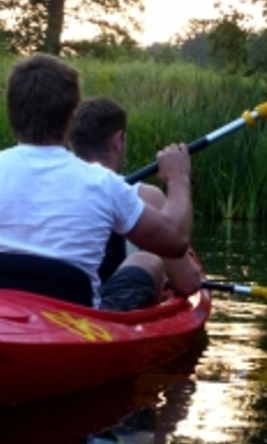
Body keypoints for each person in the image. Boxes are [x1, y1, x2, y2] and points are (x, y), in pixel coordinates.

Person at [0, 53, 193, 310]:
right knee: (148, 262)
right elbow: (176, 242)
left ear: (11, 112)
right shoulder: (103, 183)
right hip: (75, 322)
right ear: (71, 117)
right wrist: (178, 179)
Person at [70, 97, 202, 305]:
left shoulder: (50, 189)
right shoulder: (143, 195)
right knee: (149, 261)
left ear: (72, 143)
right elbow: (188, 283)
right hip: (102, 315)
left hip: (53, 303)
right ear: (117, 140)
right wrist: (179, 179)